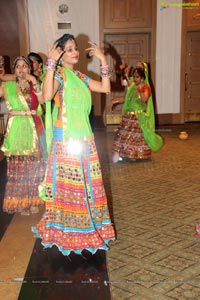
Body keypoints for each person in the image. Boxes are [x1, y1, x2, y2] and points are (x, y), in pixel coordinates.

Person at [32, 33, 115, 256]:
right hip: (66, 138)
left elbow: (106, 88)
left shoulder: (78, 75)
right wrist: (50, 64)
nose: (75, 52)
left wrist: (103, 60)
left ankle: (88, 226)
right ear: (60, 54)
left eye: (75, 48)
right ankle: (66, 229)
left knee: (86, 184)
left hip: (84, 137)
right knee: (71, 187)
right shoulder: (59, 74)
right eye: (69, 49)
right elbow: (47, 96)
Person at [0, 56, 47, 214]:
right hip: (17, 130)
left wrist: (34, 81)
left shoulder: (35, 84)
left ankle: (33, 200)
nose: (21, 69)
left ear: (29, 69)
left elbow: (42, 101)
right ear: (14, 70)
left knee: (34, 167)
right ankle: (20, 202)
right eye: (18, 66)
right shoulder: (8, 86)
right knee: (18, 168)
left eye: (24, 66)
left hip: (34, 127)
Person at [111, 63, 163, 163]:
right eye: (134, 77)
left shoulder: (145, 87)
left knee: (136, 137)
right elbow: (125, 91)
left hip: (138, 118)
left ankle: (137, 155)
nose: (135, 79)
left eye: (137, 77)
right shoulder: (132, 86)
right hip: (129, 117)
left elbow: (144, 100)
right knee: (124, 135)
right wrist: (115, 101)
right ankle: (124, 154)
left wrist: (139, 91)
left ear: (142, 77)